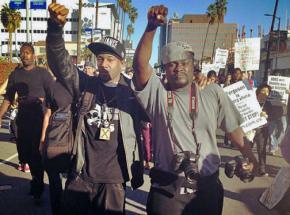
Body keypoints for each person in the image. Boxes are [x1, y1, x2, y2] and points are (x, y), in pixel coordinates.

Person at [132, 5, 258, 215]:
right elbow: (140, 67)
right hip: (167, 189)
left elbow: (234, 130)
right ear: (165, 69)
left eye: (184, 63)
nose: (179, 68)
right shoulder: (157, 94)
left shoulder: (213, 93)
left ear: (193, 66)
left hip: (206, 190)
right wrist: (151, 27)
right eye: (172, 64)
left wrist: (251, 157)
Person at [46, 3, 144, 214]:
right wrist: (55, 29)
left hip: (113, 183)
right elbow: (59, 62)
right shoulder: (86, 85)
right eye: (100, 59)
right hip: (80, 175)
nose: (103, 64)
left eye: (110, 59)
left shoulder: (133, 93)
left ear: (121, 62)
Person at [0, 42, 53, 203]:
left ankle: (38, 188)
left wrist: (50, 113)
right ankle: (36, 179)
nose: (25, 55)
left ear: (34, 55)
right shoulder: (15, 75)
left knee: (36, 156)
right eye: (22, 52)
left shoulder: (43, 74)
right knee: (25, 155)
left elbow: (53, 96)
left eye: (28, 52)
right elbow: (9, 97)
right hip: (22, 120)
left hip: (39, 120)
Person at [39, 80, 73, 215]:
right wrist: (42, 140)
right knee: (55, 182)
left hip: (74, 142)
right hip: (55, 140)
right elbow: (47, 115)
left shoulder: (79, 85)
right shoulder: (52, 87)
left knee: (72, 182)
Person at [253, 83, 272, 176]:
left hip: (262, 130)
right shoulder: (251, 101)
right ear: (258, 91)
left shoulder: (268, 104)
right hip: (250, 129)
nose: (265, 93)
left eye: (267, 92)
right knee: (248, 147)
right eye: (263, 90)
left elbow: (271, 116)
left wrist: (266, 115)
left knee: (261, 149)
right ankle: (248, 166)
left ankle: (262, 169)